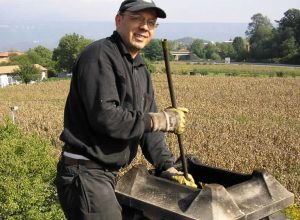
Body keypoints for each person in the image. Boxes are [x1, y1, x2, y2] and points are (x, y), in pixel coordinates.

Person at [54, 0, 196, 219]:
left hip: (106, 175)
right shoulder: (99, 55)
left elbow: (148, 132)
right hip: (85, 173)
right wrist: (161, 120)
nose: (144, 27)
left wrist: (167, 167)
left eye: (151, 22)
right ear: (119, 20)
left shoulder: (140, 69)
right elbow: (106, 117)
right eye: (137, 19)